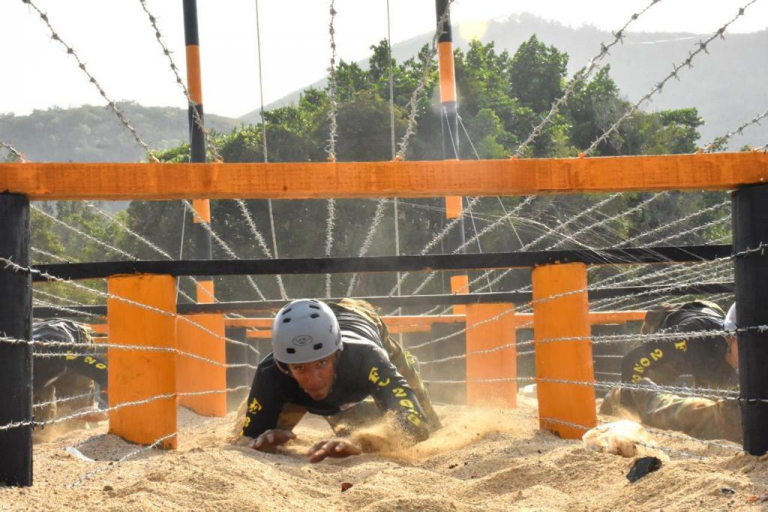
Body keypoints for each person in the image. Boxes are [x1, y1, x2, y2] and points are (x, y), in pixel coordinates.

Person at [238, 298, 441, 462]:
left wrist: (363, 442)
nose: (314, 379)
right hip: (310, 377)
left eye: (321, 363)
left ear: (336, 354)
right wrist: (263, 440)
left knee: (425, 415)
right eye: (300, 368)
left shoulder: (367, 359)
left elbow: (414, 424)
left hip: (360, 315)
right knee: (272, 429)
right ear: (285, 367)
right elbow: (248, 439)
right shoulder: (270, 374)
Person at [601, 302, 742, 443]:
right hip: (681, 331)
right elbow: (632, 361)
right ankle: (613, 401)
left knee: (712, 394)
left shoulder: (738, 357)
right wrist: (628, 407)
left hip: (709, 319)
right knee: (643, 389)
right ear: (730, 339)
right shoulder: (685, 338)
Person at [33, 319, 109, 424]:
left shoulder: (62, 349)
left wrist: (104, 409)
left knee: (79, 394)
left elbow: (104, 373)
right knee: (39, 416)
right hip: (47, 349)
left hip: (65, 343)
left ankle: (78, 427)